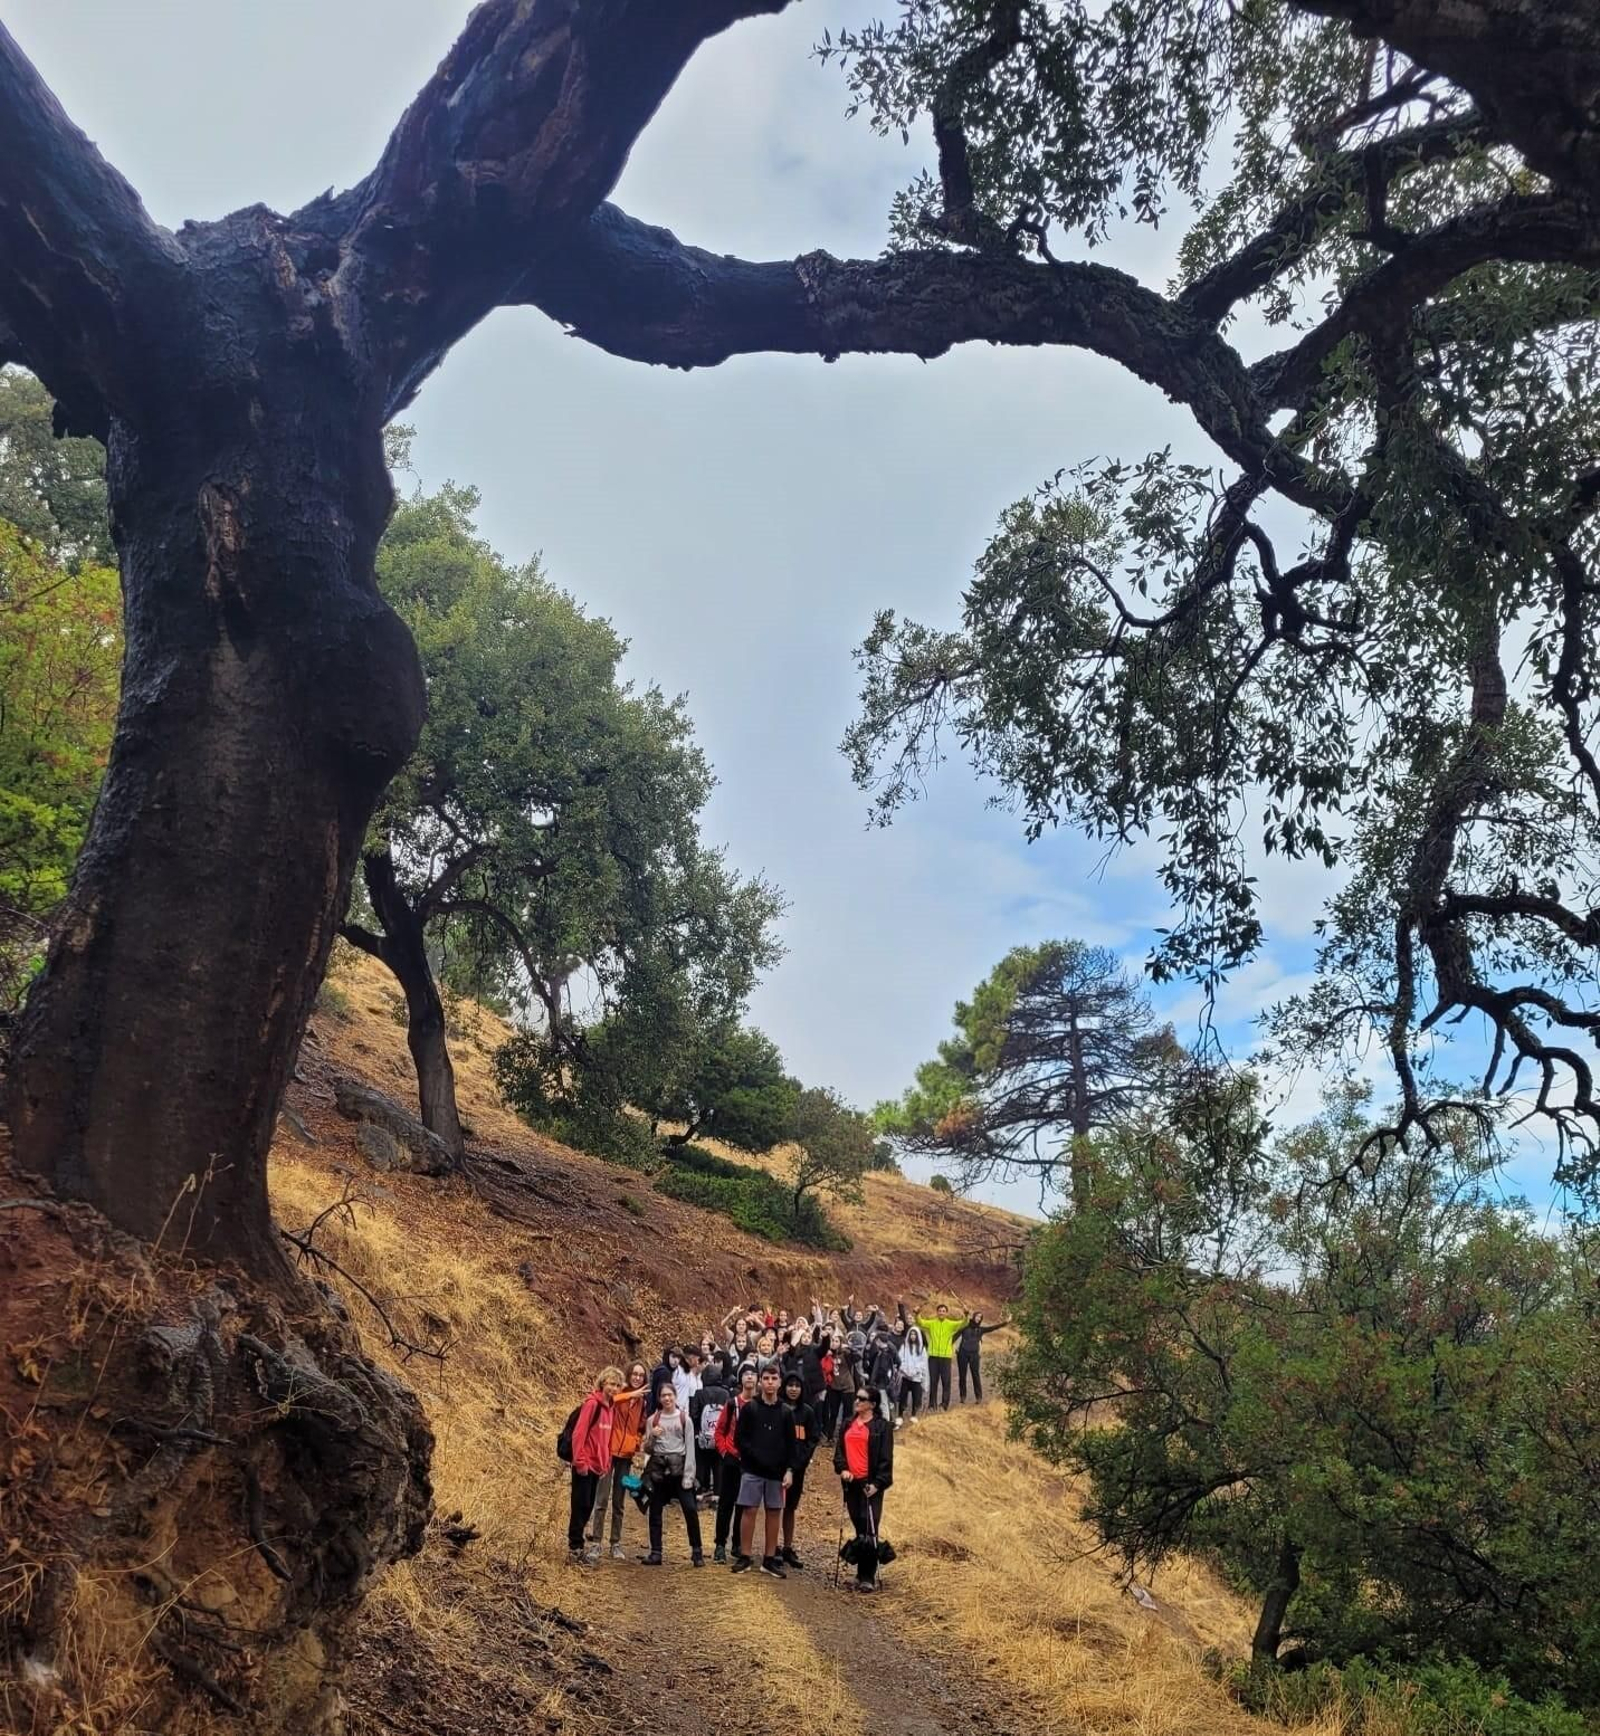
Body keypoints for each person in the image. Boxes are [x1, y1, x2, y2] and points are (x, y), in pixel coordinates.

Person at [731, 1363, 794, 1577]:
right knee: (749, 1510)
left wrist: (789, 1470)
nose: (769, 1382)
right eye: (766, 1378)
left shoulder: (786, 1412)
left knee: (774, 1512)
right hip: (753, 1469)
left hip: (776, 1472)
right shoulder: (751, 1408)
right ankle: (745, 1555)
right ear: (760, 1381)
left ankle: (769, 1558)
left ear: (779, 1383)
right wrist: (755, 1457)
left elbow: (791, 1444)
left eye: (773, 1379)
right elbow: (740, 1439)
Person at [637, 1380, 705, 1565]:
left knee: (690, 1509)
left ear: (675, 1396)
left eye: (670, 1394)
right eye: (663, 1395)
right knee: (655, 1511)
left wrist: (689, 1477)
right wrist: (652, 1436)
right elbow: (648, 1449)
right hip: (658, 1469)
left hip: (679, 1468)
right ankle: (656, 1551)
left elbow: (690, 1448)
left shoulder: (685, 1419)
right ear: (659, 1398)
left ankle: (697, 1551)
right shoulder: (653, 1420)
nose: (667, 1398)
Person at [586, 1358, 648, 1561]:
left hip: (626, 1456)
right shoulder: (619, 1393)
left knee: (620, 1502)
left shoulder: (642, 1401)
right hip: (609, 1452)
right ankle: (596, 1542)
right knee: (602, 1498)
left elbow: (640, 1426)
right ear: (629, 1375)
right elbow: (612, 1401)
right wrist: (631, 1393)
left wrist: (636, 1444)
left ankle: (615, 1543)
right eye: (635, 1374)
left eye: (641, 1375)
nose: (638, 1378)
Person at [835, 1387, 894, 1592]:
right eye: (857, 1398)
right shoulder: (847, 1424)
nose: (857, 1401)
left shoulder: (882, 1427)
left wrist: (878, 1483)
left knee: (870, 1528)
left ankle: (867, 1575)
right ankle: (860, 1573)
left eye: (862, 1399)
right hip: (852, 1484)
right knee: (860, 1528)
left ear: (873, 1404)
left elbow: (886, 1459)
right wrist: (843, 1469)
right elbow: (839, 1452)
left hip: (871, 1485)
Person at [567, 1365, 625, 1563]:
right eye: (610, 1384)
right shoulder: (592, 1405)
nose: (613, 1388)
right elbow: (579, 1434)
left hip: (598, 1466)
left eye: (617, 1385)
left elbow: (607, 1439)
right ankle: (574, 1548)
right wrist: (580, 1462)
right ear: (602, 1383)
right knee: (580, 1506)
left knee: (588, 1506)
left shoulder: (611, 1408)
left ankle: (578, 1547)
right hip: (584, 1464)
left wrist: (607, 1461)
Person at [711, 1363, 758, 1562]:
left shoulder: (759, 1405)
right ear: (740, 1379)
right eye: (745, 1374)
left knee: (744, 1504)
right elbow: (719, 1430)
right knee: (726, 1503)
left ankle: (738, 1544)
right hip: (731, 1458)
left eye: (753, 1374)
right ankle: (720, 1544)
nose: (749, 1377)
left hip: (750, 1461)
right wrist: (723, 1451)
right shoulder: (732, 1404)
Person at [778, 1368, 819, 1569]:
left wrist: (798, 1463)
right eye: (790, 1385)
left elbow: (812, 1439)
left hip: (797, 1467)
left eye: (797, 1386)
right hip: (776, 1467)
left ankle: (787, 1546)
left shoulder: (807, 1412)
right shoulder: (777, 1408)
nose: (793, 1389)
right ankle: (772, 1546)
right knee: (775, 1506)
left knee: (790, 1508)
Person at [910, 1298, 969, 1410]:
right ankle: (932, 1404)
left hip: (946, 1357)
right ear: (937, 1312)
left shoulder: (951, 1324)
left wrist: (966, 1314)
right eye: (940, 1310)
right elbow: (920, 1322)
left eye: (943, 1311)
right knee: (933, 1381)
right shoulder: (932, 1323)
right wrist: (917, 1313)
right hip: (933, 1356)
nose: (941, 1312)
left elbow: (963, 1323)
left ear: (946, 1313)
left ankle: (944, 1404)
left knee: (946, 1381)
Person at [690, 1363, 730, 1500]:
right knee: (718, 1465)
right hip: (719, 1437)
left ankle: (699, 1493)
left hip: (702, 1436)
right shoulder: (725, 1394)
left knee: (701, 1464)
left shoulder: (699, 1393)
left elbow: (693, 1414)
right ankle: (717, 1496)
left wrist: (697, 1432)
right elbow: (729, 1415)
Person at [955, 1311, 1010, 1403]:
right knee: (962, 1376)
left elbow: (993, 1328)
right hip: (962, 1353)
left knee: (976, 1375)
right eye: (977, 1316)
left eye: (980, 1317)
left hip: (974, 1355)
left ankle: (978, 1397)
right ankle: (963, 1396)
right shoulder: (965, 1327)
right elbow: (954, 1335)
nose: (978, 1318)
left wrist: (1006, 1322)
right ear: (973, 1317)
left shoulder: (981, 1330)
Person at [824, 1329, 856, 1441]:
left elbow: (856, 1357)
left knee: (847, 1415)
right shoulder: (827, 1354)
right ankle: (830, 1437)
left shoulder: (846, 1354)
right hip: (834, 1387)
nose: (834, 1343)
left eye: (836, 1341)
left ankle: (845, 1436)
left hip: (847, 1387)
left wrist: (849, 1349)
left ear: (840, 1342)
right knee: (833, 1413)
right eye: (832, 1340)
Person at [897, 1325, 928, 1425]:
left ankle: (914, 1414)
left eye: (915, 1334)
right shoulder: (904, 1347)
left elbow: (923, 1362)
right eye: (911, 1334)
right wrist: (905, 1371)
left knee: (916, 1396)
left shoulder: (922, 1348)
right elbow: (900, 1360)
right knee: (903, 1395)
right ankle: (900, 1414)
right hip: (906, 1376)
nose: (913, 1336)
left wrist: (915, 1371)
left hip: (916, 1377)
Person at [673, 1344, 703, 1412]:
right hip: (675, 1411)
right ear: (691, 1358)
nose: (697, 1362)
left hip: (685, 1412)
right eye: (697, 1359)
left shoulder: (689, 1373)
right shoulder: (677, 1371)